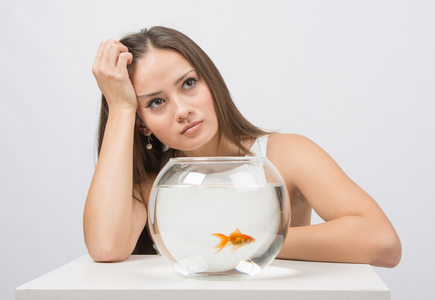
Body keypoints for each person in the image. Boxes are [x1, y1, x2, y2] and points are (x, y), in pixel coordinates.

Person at [83, 26, 401, 267]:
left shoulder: (285, 156)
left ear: (211, 80)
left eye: (189, 83)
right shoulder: (150, 183)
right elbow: (106, 247)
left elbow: (382, 243)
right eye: (156, 102)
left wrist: (243, 243)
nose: (182, 110)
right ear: (142, 124)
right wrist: (121, 109)